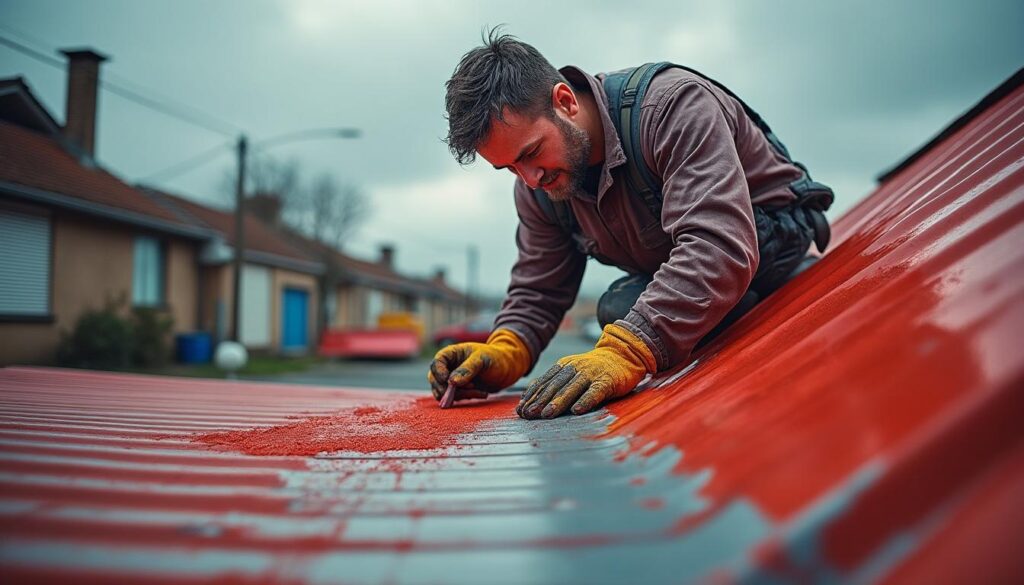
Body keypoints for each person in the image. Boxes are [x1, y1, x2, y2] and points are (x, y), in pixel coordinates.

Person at [429, 29, 832, 420]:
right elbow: (540, 287)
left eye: (531, 152)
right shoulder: (540, 185)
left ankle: (742, 305)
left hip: (769, 248)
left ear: (565, 101)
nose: (530, 178)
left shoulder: (671, 107)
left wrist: (628, 349)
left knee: (622, 311)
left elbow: (718, 244)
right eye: (509, 168)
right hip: (690, 272)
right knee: (621, 306)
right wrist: (506, 349)